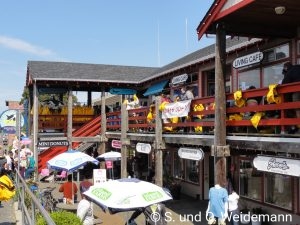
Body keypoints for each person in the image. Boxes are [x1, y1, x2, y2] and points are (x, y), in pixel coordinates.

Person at [281, 62, 300, 134]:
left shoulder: (289, 72)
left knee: (297, 108)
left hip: (297, 91)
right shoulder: (297, 67)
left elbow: (284, 84)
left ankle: (298, 126)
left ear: (286, 68)